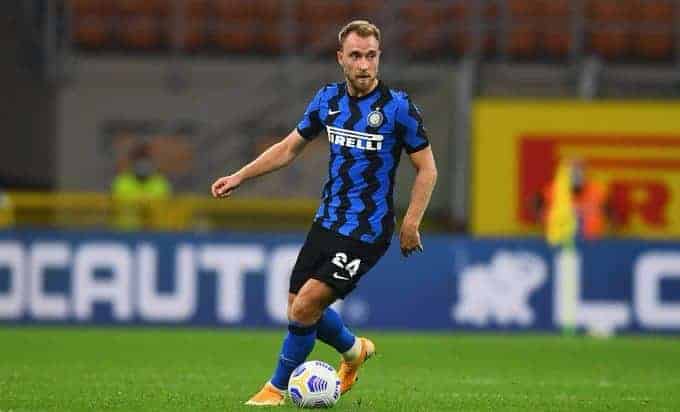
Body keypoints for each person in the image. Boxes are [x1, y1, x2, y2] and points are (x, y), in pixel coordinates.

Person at [211, 20, 438, 407]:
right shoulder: (327, 100)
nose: (364, 64)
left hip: (367, 231)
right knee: (298, 309)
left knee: (305, 307)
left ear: (379, 57)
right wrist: (240, 176)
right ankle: (354, 351)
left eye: (371, 56)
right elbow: (288, 148)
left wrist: (411, 222)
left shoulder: (398, 108)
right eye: (355, 56)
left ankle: (275, 390)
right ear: (340, 59)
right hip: (328, 221)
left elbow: (427, 169)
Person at [111, 142, 171, 230]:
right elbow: (119, 208)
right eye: (139, 159)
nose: (143, 163)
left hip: (155, 232)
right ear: (132, 161)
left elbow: (162, 209)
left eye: (146, 159)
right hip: (126, 231)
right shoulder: (121, 182)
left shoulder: (161, 183)